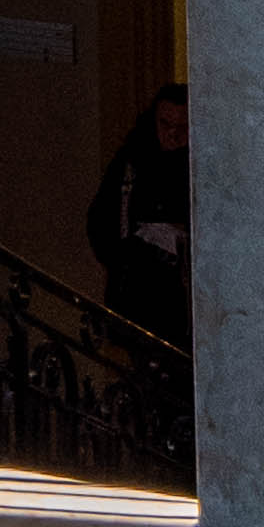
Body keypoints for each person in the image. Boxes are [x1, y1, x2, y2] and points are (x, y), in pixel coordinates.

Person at [88, 78, 191, 348]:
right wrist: (126, 254)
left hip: (182, 297)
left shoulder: (201, 168)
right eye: (165, 124)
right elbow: (101, 221)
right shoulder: (132, 162)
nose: (173, 134)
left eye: (182, 127)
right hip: (136, 290)